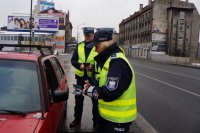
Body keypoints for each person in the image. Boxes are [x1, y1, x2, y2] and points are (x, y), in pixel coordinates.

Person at [83, 30, 137, 132]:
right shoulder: (110, 59)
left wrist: (90, 90)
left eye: (96, 46)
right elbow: (107, 83)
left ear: (105, 43)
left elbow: (110, 93)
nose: (95, 50)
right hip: (109, 118)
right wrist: (93, 84)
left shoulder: (117, 62)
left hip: (118, 121)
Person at [70, 27, 98, 128]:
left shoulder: (97, 45)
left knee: (95, 100)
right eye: (85, 35)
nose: (87, 37)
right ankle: (77, 119)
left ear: (93, 35)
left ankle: (96, 122)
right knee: (78, 99)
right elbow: (73, 60)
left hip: (93, 79)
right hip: (80, 78)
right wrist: (81, 66)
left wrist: (93, 68)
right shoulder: (80, 45)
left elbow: (102, 62)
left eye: (89, 35)